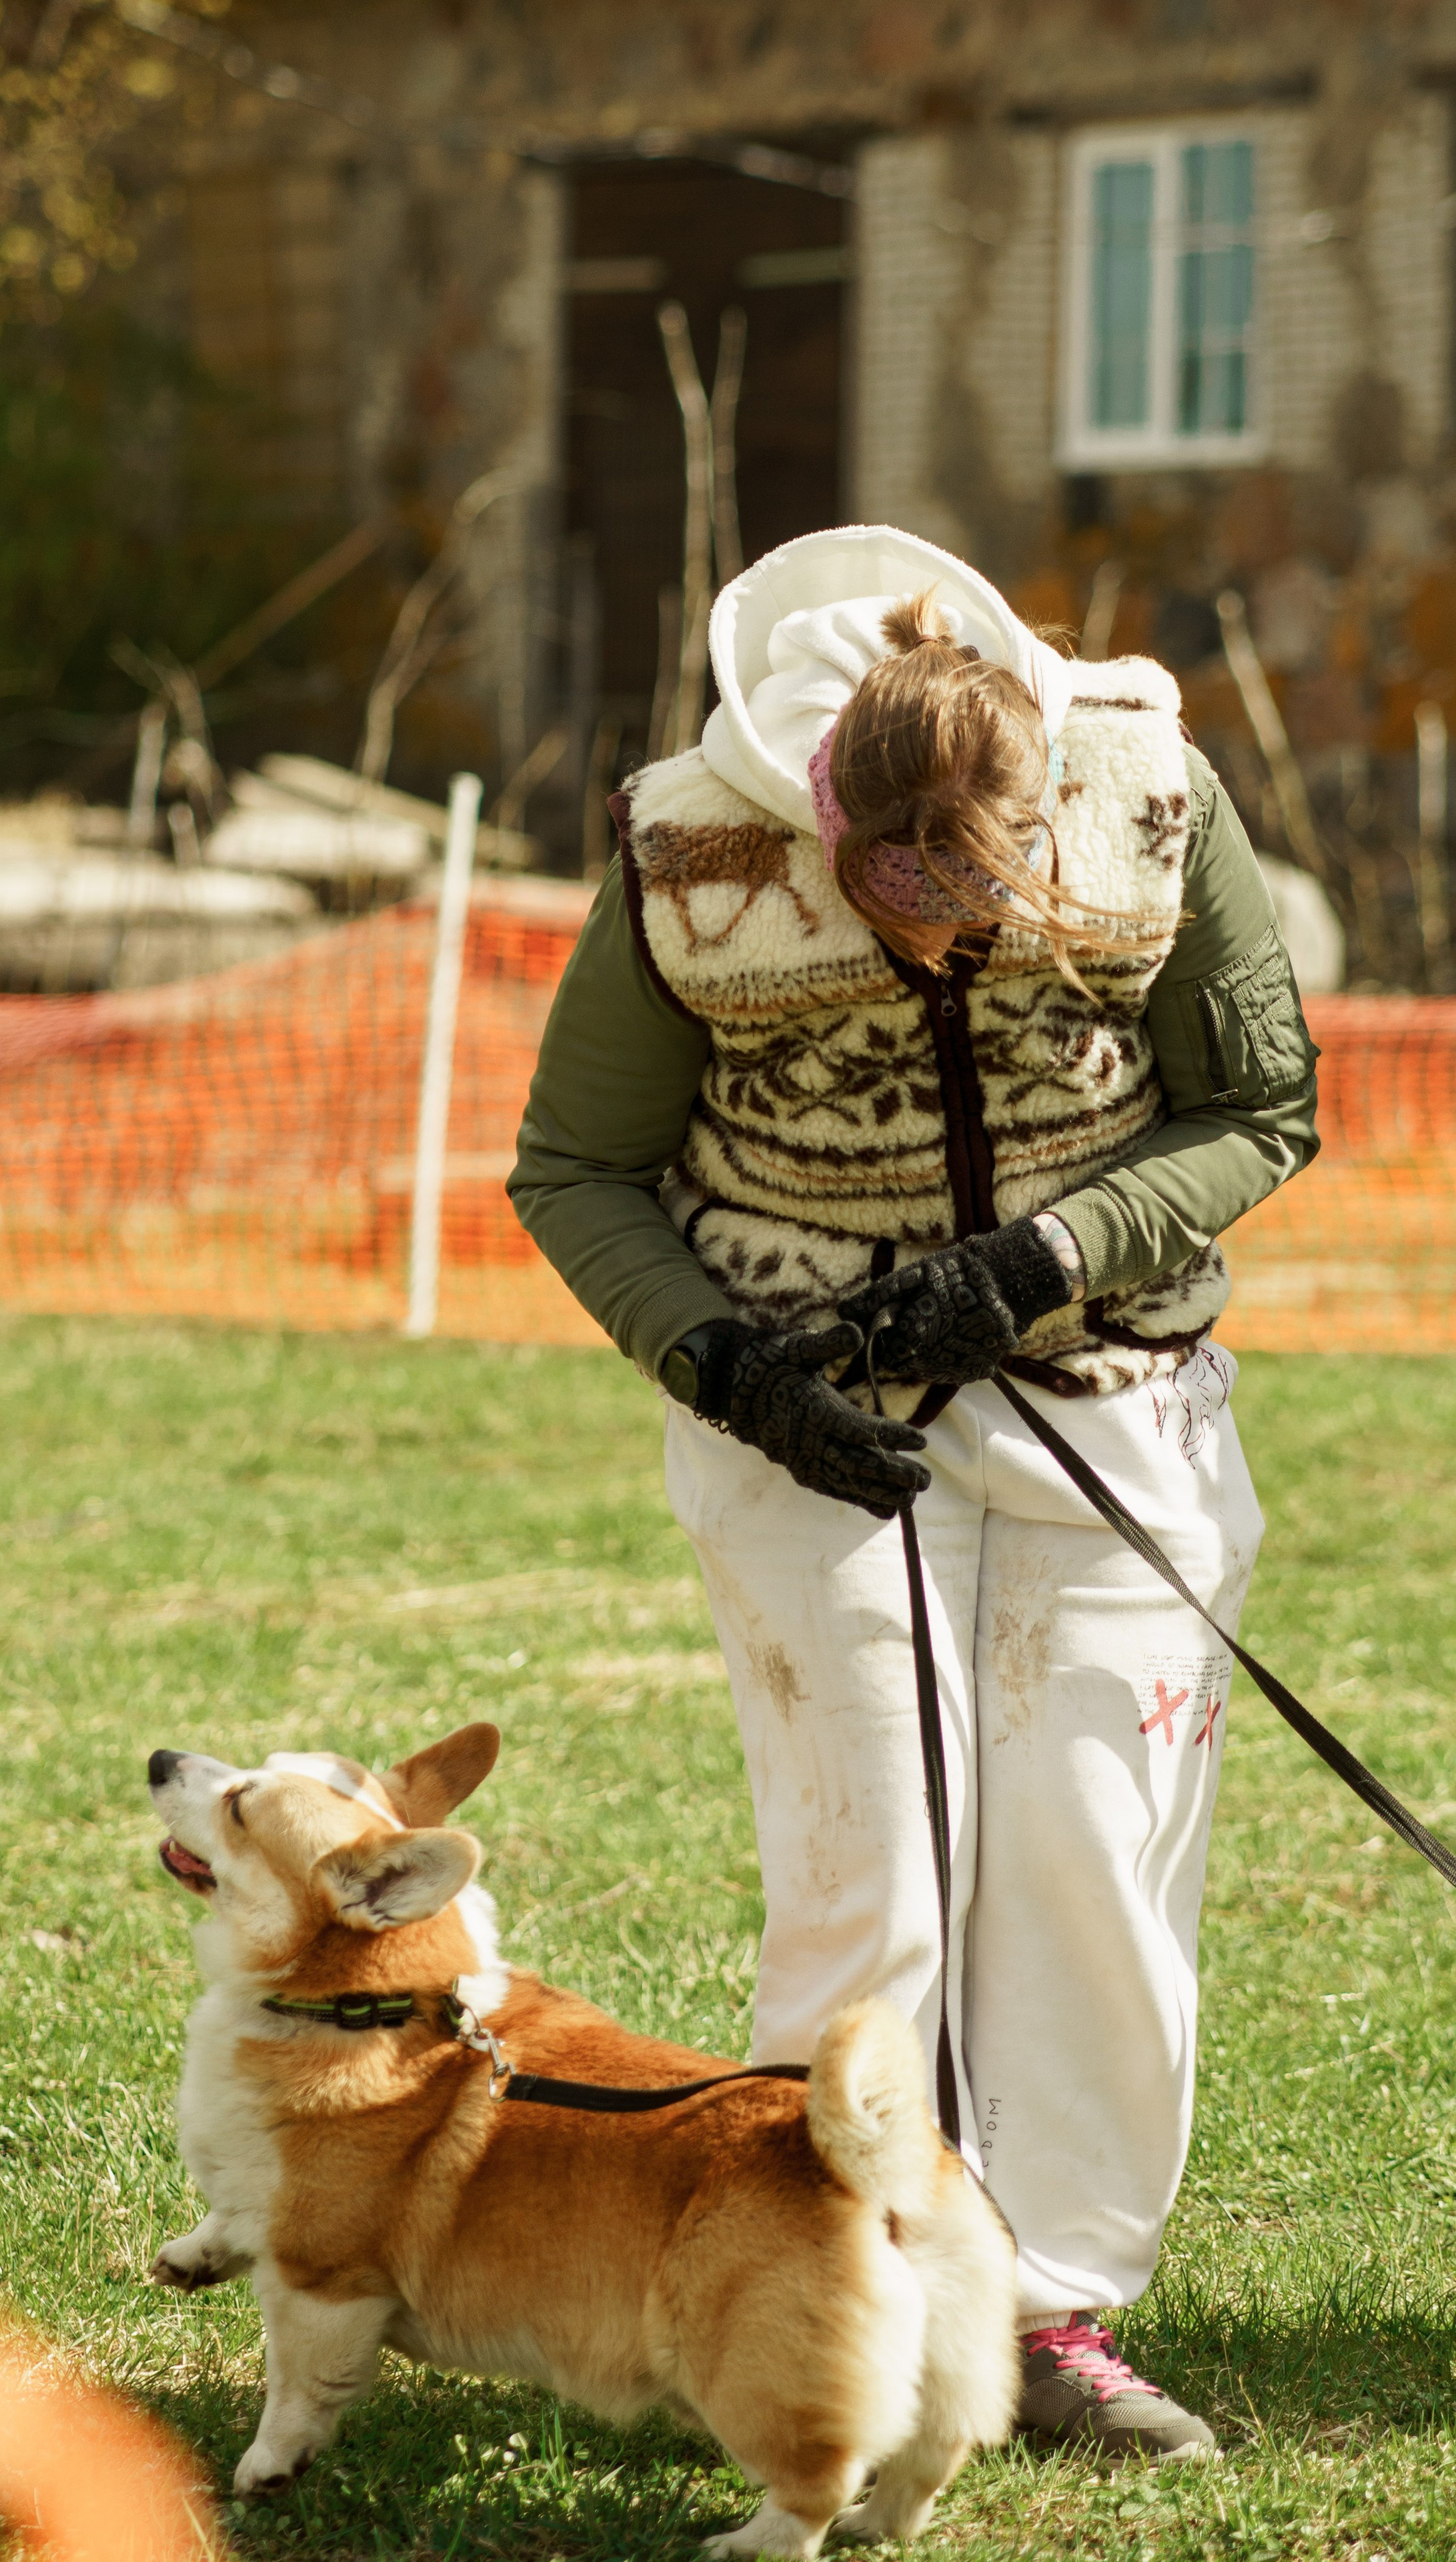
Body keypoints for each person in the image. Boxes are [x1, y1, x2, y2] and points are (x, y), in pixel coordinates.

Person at [509, 524, 1320, 2464]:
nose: (944, 932)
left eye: (981, 885)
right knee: (867, 1873)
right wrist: (722, 1366)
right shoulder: (686, 856)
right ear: (817, 818)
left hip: (1107, 1392)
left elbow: (1263, 1104)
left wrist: (1045, 1260)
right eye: (896, 892)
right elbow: (574, 1168)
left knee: (1096, 1868)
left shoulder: (1151, 790)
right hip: (804, 1406)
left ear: (1038, 803)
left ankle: (1053, 2317)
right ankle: (828, 2301)